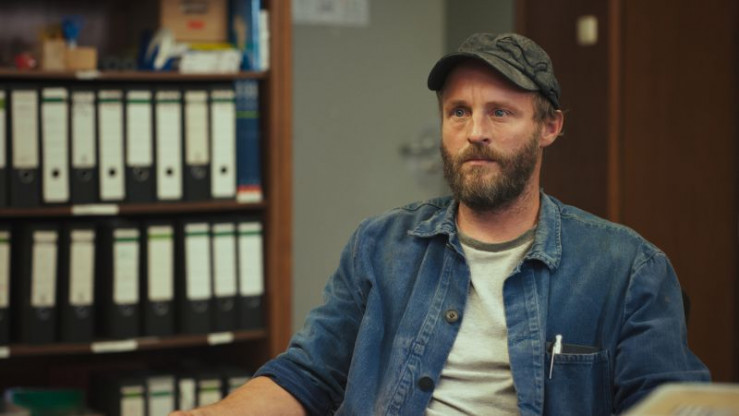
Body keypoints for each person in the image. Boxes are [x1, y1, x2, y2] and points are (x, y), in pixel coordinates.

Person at [170, 32, 709, 416]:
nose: (475, 132)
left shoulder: (626, 269)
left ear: (549, 127)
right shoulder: (379, 246)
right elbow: (306, 376)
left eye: (500, 112)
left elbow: (674, 406)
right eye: (459, 112)